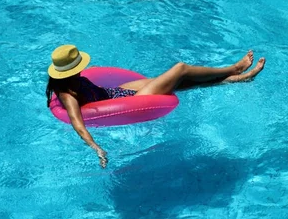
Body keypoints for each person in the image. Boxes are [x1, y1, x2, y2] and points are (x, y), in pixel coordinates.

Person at [46, 44, 265, 168]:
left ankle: (239, 79)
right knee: (180, 70)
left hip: (117, 92)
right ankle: (233, 69)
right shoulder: (67, 94)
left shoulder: (71, 79)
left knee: (176, 82)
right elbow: (78, 123)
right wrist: (97, 149)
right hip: (126, 101)